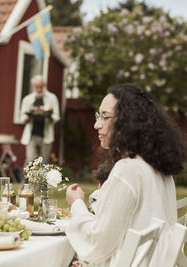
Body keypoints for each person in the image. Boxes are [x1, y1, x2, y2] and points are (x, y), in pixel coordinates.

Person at [65, 84, 186, 266]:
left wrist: (77, 204)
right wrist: (103, 193)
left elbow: (98, 243)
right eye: (98, 116)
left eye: (105, 117)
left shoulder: (128, 169)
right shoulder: (157, 168)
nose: (97, 124)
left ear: (128, 121)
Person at [20, 75, 60, 165]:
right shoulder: (27, 99)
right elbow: (22, 117)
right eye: (36, 87)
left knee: (44, 162)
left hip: (46, 135)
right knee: (29, 160)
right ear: (33, 86)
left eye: (41, 87)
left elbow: (56, 117)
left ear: (44, 86)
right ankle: (25, 179)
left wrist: (49, 115)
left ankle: (42, 179)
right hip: (31, 135)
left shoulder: (52, 98)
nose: (39, 89)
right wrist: (28, 116)